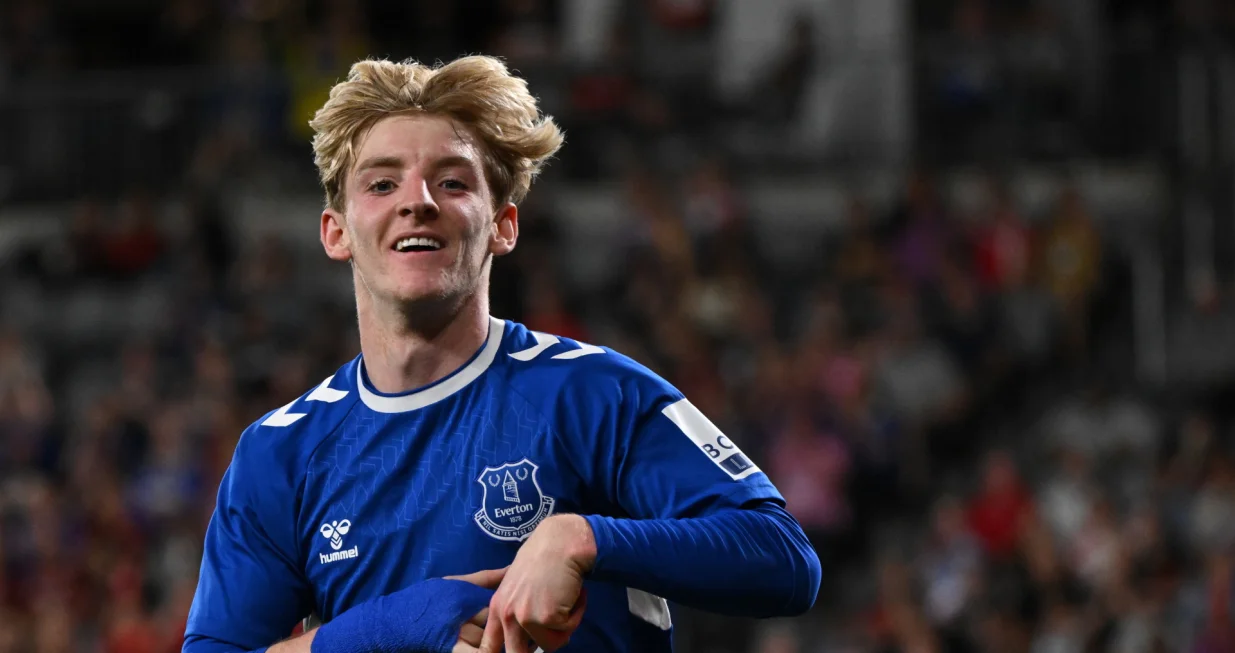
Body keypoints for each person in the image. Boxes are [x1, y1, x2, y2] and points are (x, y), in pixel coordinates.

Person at [182, 55, 821, 653]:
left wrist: (585, 537)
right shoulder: (279, 452)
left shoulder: (594, 393)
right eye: (381, 183)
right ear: (337, 232)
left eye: (452, 181)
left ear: (502, 225)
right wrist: (380, 631)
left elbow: (785, 560)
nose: (417, 201)